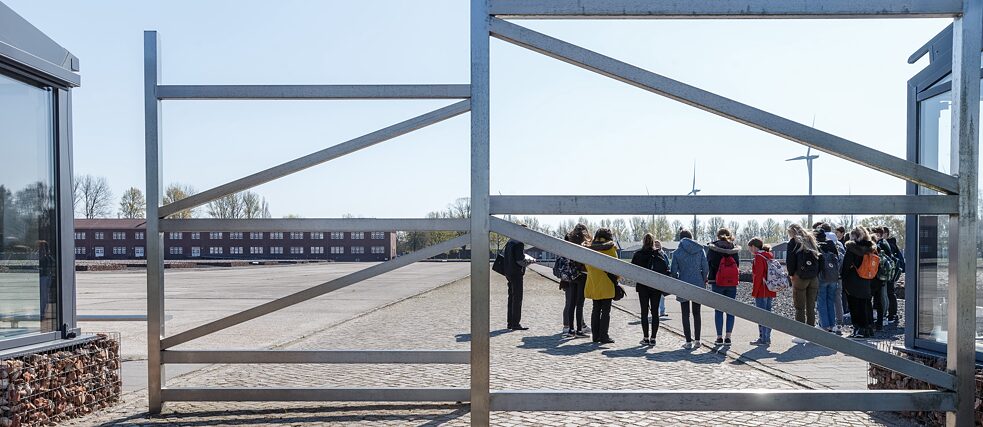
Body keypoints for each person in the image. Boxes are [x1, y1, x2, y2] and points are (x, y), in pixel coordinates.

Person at [670, 229, 709, 349]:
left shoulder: (677, 253)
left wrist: (677, 279)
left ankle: (688, 341)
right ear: (691, 238)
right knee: (697, 313)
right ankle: (697, 340)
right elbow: (705, 267)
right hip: (698, 283)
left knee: (685, 314)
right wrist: (703, 279)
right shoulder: (700, 250)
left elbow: (673, 271)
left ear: (680, 238)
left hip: (683, 284)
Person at [630, 233, 670, 346]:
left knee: (644, 312)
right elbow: (665, 270)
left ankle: (645, 337)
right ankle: (653, 338)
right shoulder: (658, 255)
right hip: (655, 287)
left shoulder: (638, 254)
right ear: (653, 242)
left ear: (643, 242)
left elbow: (632, 270)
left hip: (642, 286)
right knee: (655, 312)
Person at [786, 223, 821, 344]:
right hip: (813, 278)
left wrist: (791, 274)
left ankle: (800, 335)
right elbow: (819, 259)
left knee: (800, 307)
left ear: (791, 232)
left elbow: (790, 261)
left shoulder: (793, 242)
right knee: (811, 306)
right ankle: (811, 335)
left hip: (800, 277)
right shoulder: (811, 239)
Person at [706, 228, 740, 346]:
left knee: (718, 310)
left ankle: (719, 337)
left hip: (717, 282)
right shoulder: (733, 248)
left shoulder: (712, 248)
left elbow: (708, 263)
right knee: (731, 310)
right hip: (731, 283)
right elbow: (737, 266)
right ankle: (728, 337)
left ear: (718, 236)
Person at [585, 228, 619, 344]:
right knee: (605, 312)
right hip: (607, 284)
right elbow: (616, 267)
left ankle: (595, 336)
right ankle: (604, 336)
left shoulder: (590, 248)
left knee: (595, 310)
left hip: (593, 283)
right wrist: (616, 280)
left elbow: (586, 265)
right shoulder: (610, 249)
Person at [842, 227, 875, 338]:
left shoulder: (852, 248)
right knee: (866, 305)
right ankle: (868, 329)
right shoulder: (871, 248)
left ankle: (859, 329)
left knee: (854, 306)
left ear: (855, 236)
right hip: (867, 280)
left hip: (853, 281)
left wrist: (843, 277)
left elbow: (846, 266)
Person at [561, 224, 590, 338]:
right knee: (580, 304)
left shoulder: (569, 242)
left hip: (571, 276)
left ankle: (570, 329)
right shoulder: (584, 243)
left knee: (571, 304)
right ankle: (579, 330)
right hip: (582, 275)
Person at [748, 238, 776, 345]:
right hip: (770, 288)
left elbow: (758, 276)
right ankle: (767, 337)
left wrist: (754, 291)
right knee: (768, 313)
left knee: (761, 315)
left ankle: (762, 338)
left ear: (754, 247)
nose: (750, 250)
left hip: (761, 290)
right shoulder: (768, 255)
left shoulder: (758, 257)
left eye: (750, 248)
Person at [503, 233, 530, 330]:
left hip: (508, 272)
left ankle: (510, 322)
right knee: (517, 299)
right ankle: (516, 323)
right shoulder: (519, 244)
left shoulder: (509, 243)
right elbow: (519, 260)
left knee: (511, 298)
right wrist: (529, 261)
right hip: (517, 274)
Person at [815, 229, 840, 333]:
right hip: (833, 277)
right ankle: (832, 324)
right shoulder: (831, 243)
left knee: (822, 301)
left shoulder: (816, 246)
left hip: (822, 277)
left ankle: (824, 325)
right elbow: (838, 258)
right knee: (830, 301)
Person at [870, 227, 894, 332]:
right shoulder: (884, 245)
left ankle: (882, 318)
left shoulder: (879, 246)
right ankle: (882, 319)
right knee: (881, 298)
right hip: (882, 276)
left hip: (877, 277)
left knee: (881, 297)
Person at [883, 226, 904, 324]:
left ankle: (892, 314)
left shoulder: (889, 245)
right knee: (890, 293)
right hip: (892, 273)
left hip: (890, 273)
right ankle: (892, 314)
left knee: (890, 293)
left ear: (887, 234)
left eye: (882, 233)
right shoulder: (892, 244)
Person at [835, 225, 850, 322]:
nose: (836, 234)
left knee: (843, 292)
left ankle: (845, 309)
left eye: (837, 232)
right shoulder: (840, 243)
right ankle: (844, 310)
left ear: (842, 233)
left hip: (842, 271)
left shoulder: (843, 243)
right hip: (842, 272)